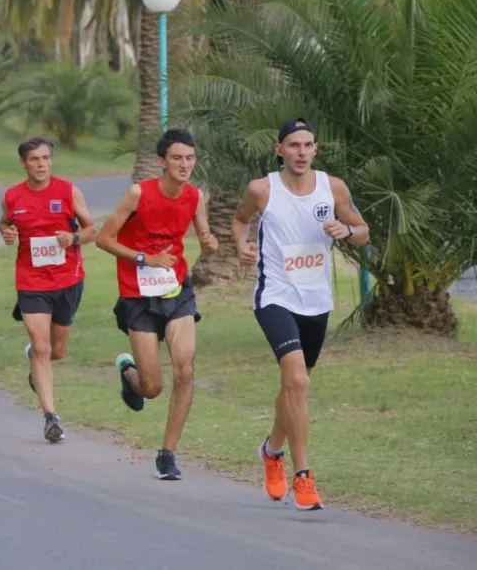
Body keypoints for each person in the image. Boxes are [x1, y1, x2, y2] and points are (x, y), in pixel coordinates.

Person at [232, 118, 369, 510]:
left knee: (297, 386)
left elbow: (363, 231)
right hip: (275, 295)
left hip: (316, 300)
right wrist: (241, 245)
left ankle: (271, 450)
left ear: (316, 150)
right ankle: (303, 476)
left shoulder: (333, 187)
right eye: (293, 145)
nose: (301, 152)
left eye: (308, 145)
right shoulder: (262, 189)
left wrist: (347, 231)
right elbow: (240, 220)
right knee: (295, 380)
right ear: (280, 150)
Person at [95, 129, 219, 480]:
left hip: (176, 291)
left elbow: (204, 234)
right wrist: (143, 258)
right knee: (152, 388)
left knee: (185, 370)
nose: (184, 164)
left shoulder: (194, 196)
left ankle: (167, 454)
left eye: (190, 158)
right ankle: (129, 372)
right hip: (138, 296)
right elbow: (103, 239)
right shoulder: (139, 193)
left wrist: (209, 243)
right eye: (177, 158)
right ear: (161, 161)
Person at [0, 136, 97, 444]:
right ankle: (51, 417)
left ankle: (35, 361)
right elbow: (4, 223)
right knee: (42, 346)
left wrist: (74, 238)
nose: (41, 165)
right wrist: (7, 233)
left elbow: (92, 229)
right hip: (31, 281)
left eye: (45, 158)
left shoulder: (68, 191)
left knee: (57, 351)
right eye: (34, 159)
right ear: (23, 163)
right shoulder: (12, 196)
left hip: (68, 279)